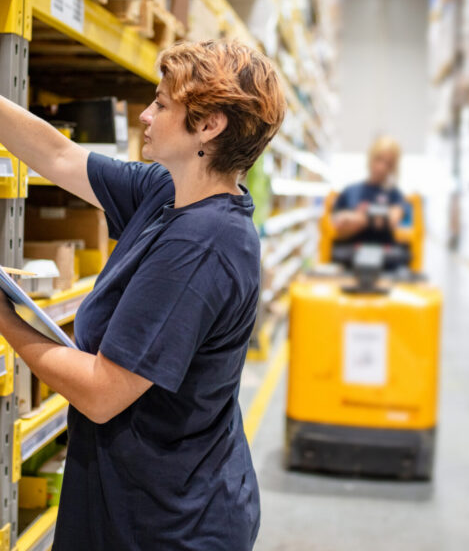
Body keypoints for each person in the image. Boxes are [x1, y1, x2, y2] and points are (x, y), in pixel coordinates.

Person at [0, 40, 286, 550]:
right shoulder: (167, 193)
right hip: (139, 493)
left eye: (161, 105)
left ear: (208, 125)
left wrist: (7, 319)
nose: (146, 117)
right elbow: (59, 155)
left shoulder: (203, 245)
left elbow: (102, 392)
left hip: (169, 523)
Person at [332, 135, 405, 246]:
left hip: (386, 257)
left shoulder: (395, 194)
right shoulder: (350, 191)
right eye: (378, 159)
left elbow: (393, 219)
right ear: (370, 157)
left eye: (388, 163)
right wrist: (378, 218)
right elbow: (337, 223)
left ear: (393, 167)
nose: (381, 167)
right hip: (348, 256)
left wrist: (356, 218)